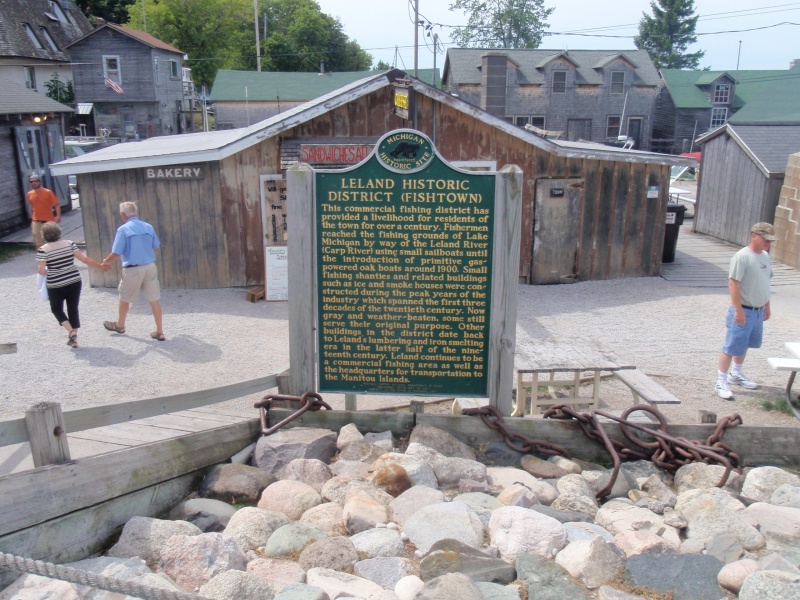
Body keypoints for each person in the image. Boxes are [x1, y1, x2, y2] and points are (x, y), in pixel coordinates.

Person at [715, 222, 775, 400]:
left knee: (746, 343)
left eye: (771, 240)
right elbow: (733, 283)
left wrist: (767, 305)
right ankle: (720, 380)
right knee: (732, 345)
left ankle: (736, 373)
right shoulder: (742, 257)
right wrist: (738, 310)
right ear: (754, 236)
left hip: (757, 310)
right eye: (766, 239)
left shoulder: (765, 256)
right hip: (744, 309)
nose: (768, 243)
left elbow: (765, 282)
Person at [101, 201, 165, 341]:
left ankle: (120, 325)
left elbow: (116, 252)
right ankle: (159, 331)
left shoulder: (123, 230)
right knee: (154, 299)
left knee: (125, 297)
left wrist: (105, 262)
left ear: (123, 214)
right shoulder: (148, 227)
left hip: (133, 269)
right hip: (150, 266)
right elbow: (155, 247)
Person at [36, 222, 106, 348]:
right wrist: (100, 267)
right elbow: (84, 259)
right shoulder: (70, 243)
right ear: (59, 232)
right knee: (73, 308)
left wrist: (50, 271)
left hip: (56, 284)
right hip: (74, 280)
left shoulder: (43, 249)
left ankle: (71, 332)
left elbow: (41, 270)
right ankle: (74, 339)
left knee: (56, 309)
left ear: (44, 235)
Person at [27, 174, 61, 248]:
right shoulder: (29, 194)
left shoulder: (48, 192)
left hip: (48, 221)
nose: (33, 183)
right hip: (36, 221)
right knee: (38, 242)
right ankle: (41, 258)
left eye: (35, 181)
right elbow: (32, 206)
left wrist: (58, 216)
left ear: (40, 182)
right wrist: (32, 219)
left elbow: (56, 204)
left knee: (52, 241)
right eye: (31, 182)